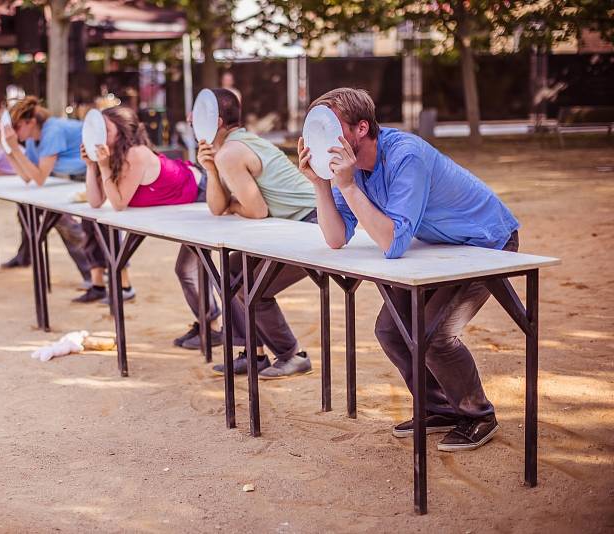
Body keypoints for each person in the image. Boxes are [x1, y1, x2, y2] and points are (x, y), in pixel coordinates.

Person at [298, 87, 520, 451]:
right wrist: (322, 185)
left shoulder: (405, 156)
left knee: (432, 335)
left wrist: (349, 185)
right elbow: (336, 237)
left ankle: (478, 415)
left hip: (488, 242)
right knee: (391, 330)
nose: (321, 141)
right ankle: (442, 407)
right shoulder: (354, 170)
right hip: (445, 249)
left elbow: (392, 243)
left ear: (361, 129)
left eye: (330, 128)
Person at [198, 88, 318, 379]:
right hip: (294, 224)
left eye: (198, 114)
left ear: (215, 121)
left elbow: (256, 210)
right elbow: (217, 208)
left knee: (253, 289)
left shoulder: (231, 151)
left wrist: (234, 203)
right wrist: (210, 170)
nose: (191, 120)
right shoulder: (226, 150)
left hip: (313, 224)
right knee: (230, 268)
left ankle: (292, 355)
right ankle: (253, 352)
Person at [83, 106, 221, 337]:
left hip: (201, 191)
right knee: (186, 270)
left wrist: (103, 166)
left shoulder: (135, 154)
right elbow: (96, 201)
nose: (99, 136)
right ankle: (210, 326)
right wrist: (92, 165)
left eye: (105, 130)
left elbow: (118, 202)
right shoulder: (114, 155)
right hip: (185, 202)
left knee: (188, 269)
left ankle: (213, 329)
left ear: (122, 131)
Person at [2, 96, 101, 295]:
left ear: (30, 122)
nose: (14, 132)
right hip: (69, 178)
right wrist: (9, 151)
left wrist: (14, 148)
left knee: (71, 224)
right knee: (37, 214)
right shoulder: (31, 139)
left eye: (17, 126)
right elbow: (26, 176)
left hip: (88, 175)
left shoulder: (52, 131)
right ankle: (91, 275)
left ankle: (96, 275)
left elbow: (39, 177)